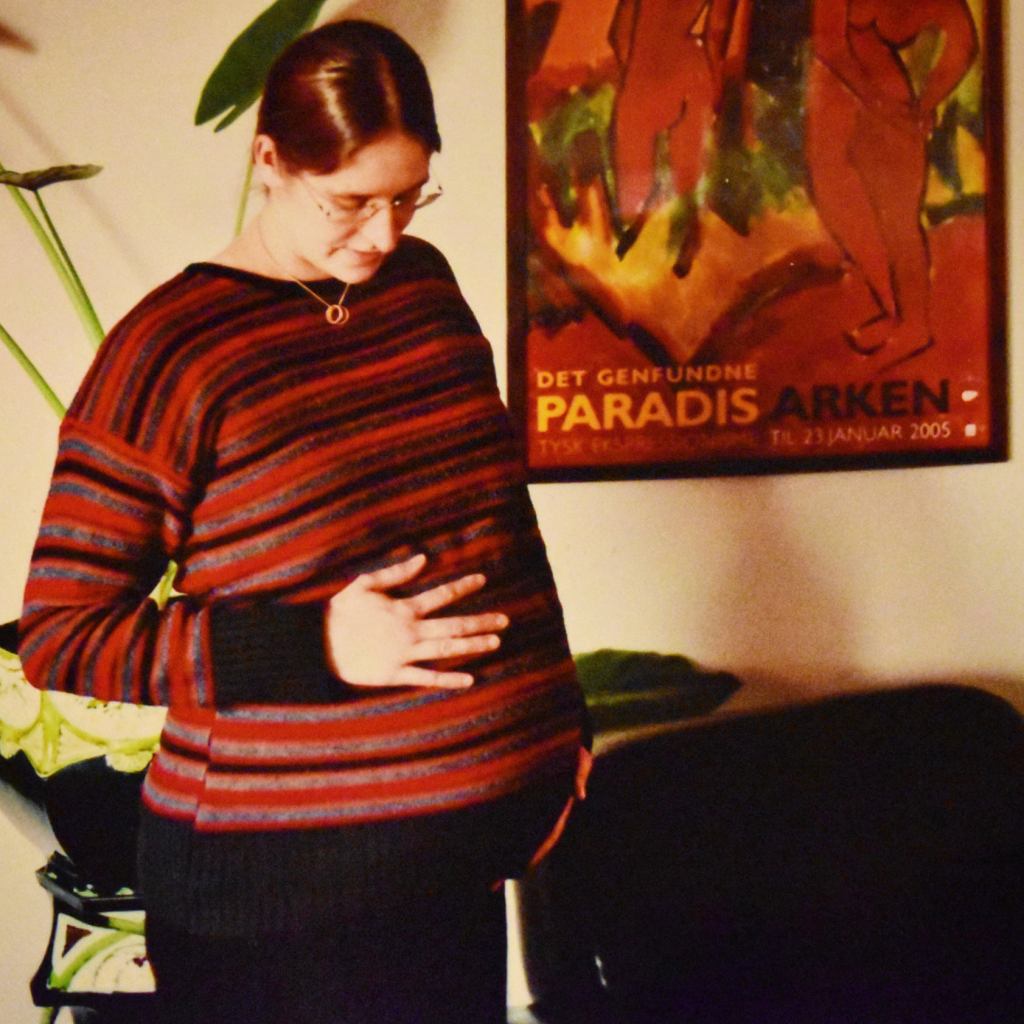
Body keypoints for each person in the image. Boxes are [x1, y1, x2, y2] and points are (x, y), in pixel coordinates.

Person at [19, 20, 591, 1024]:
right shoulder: (172, 354)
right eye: (350, 202)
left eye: (409, 194)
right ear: (269, 160)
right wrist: (313, 641)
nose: (381, 233)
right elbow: (66, 637)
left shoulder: (424, 291)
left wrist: (558, 737)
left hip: (456, 866)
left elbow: (500, 525)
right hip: (281, 911)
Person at [806, 0, 977, 367]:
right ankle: (892, 308)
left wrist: (928, 102)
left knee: (898, 218)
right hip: (839, 90)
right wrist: (881, 102)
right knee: (837, 205)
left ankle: (915, 325)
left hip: (887, 99)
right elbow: (829, 45)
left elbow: (963, 44)